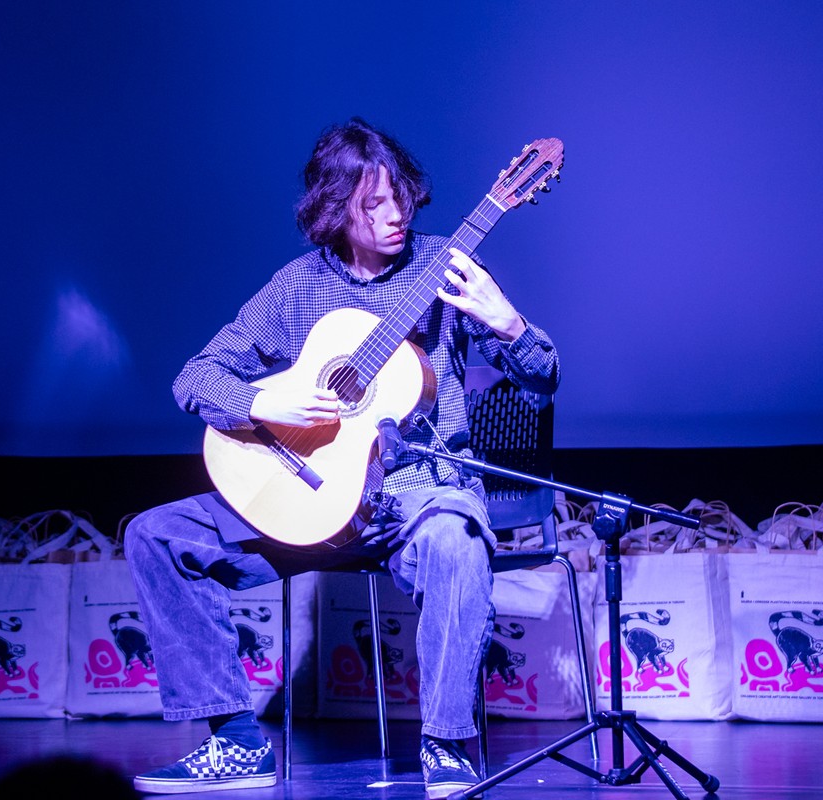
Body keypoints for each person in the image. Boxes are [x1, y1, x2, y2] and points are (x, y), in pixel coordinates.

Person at [124, 117, 560, 798]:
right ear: (334, 210)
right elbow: (196, 378)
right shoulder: (297, 287)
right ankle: (235, 741)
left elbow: (542, 381)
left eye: (401, 197)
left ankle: (447, 744)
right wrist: (262, 403)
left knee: (456, 539)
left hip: (417, 495)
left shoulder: (448, 268)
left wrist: (508, 322)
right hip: (310, 496)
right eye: (372, 204)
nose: (395, 215)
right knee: (156, 534)